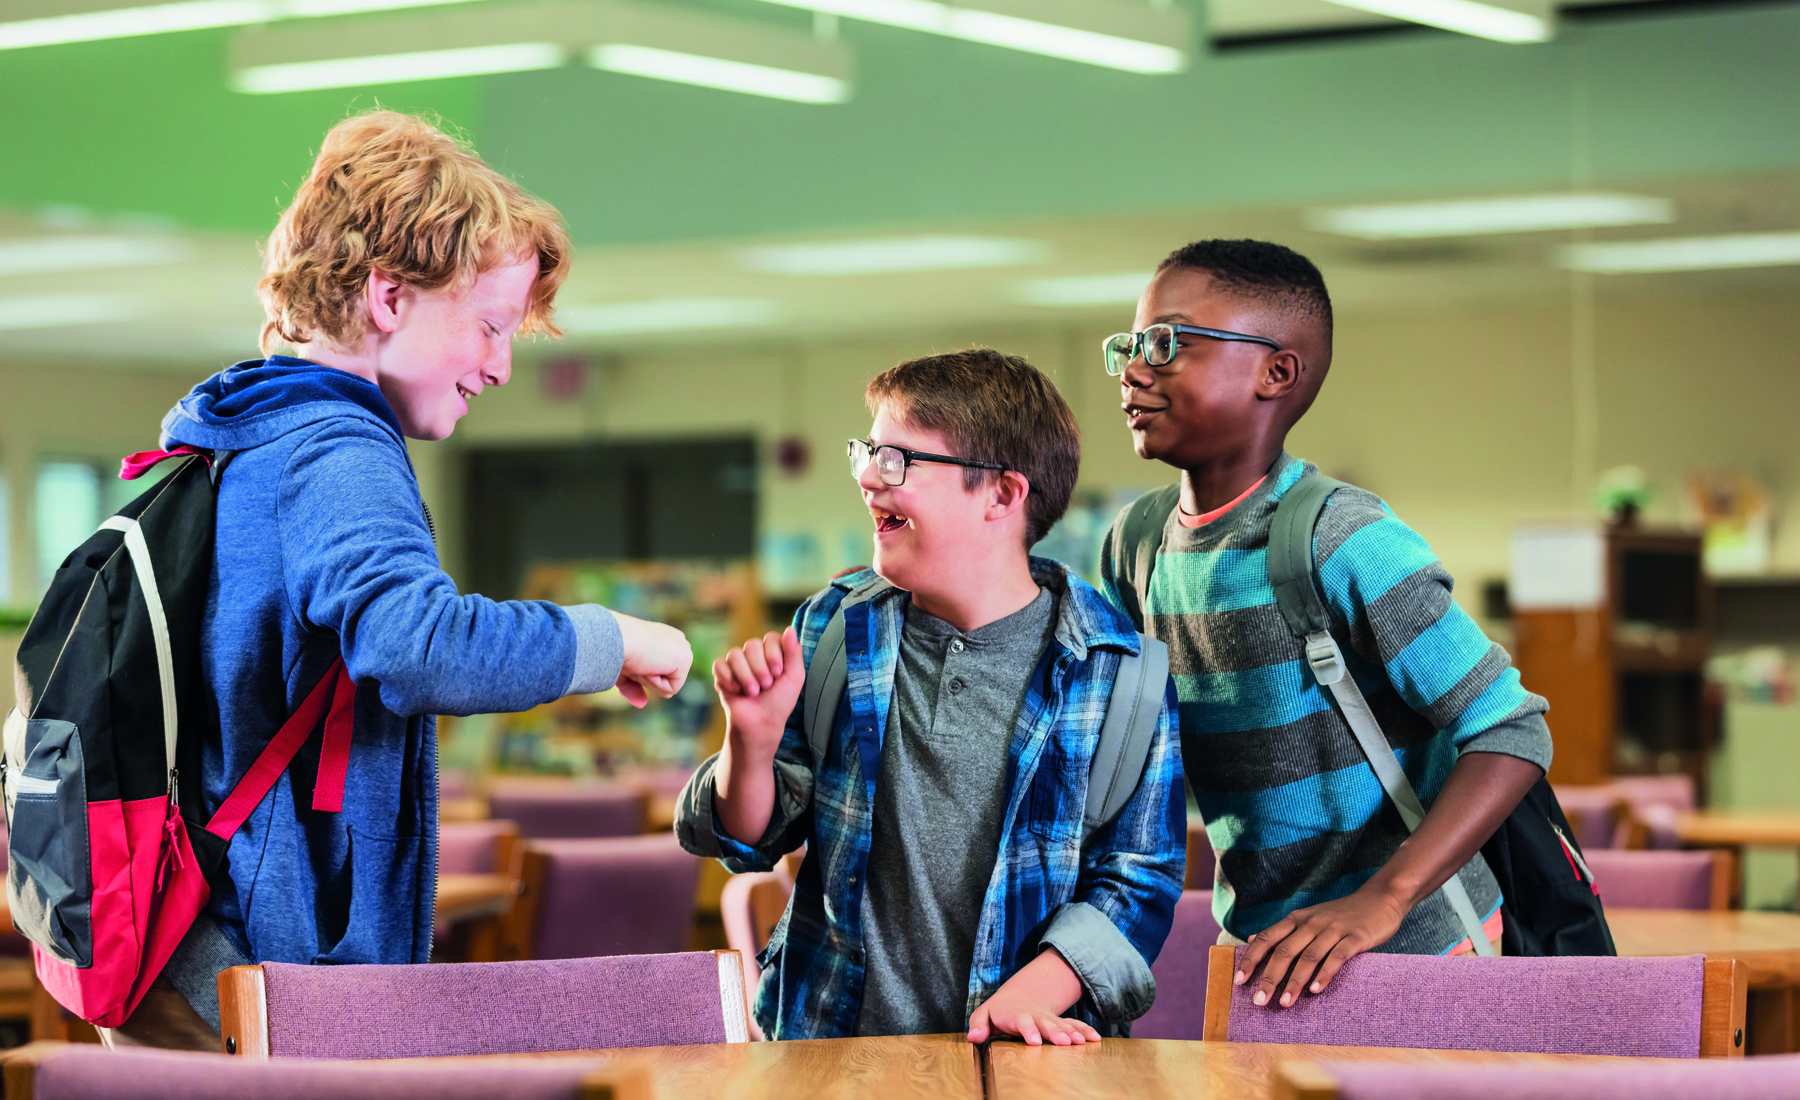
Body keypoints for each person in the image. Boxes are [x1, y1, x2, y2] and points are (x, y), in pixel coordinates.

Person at [116, 111, 693, 1049]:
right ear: (388, 295)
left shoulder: (251, 431)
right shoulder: (337, 449)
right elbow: (417, 647)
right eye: (490, 327)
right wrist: (611, 637)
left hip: (198, 947)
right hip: (257, 974)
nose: (501, 366)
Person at [675, 349, 1184, 1044]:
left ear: (1002, 495)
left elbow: (1139, 878)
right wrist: (751, 743)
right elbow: (745, 838)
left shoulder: (1120, 671)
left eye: (897, 460)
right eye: (867, 452)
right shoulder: (832, 626)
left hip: (1026, 1062)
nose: (865, 477)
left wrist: (1037, 988)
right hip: (828, 1056)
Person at [1099, 239, 1552, 1010]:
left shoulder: (1342, 537)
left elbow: (1513, 729)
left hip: (1415, 947)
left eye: (1169, 343)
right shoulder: (1136, 545)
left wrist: (1385, 896)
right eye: (1133, 345)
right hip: (1262, 949)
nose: (1136, 369)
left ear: (1276, 372)